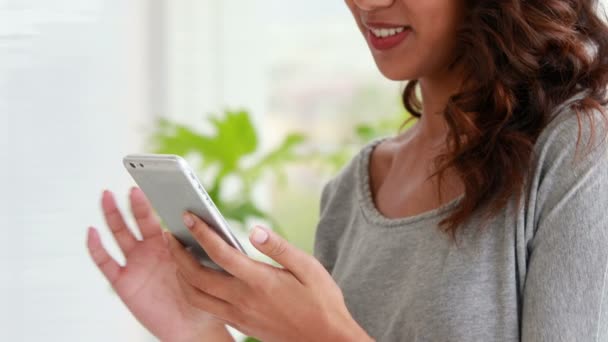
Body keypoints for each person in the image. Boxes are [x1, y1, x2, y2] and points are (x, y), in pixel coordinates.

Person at [87, 0, 608, 341]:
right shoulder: (353, 190)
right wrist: (199, 330)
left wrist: (323, 334)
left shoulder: (582, 153)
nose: (367, 3)